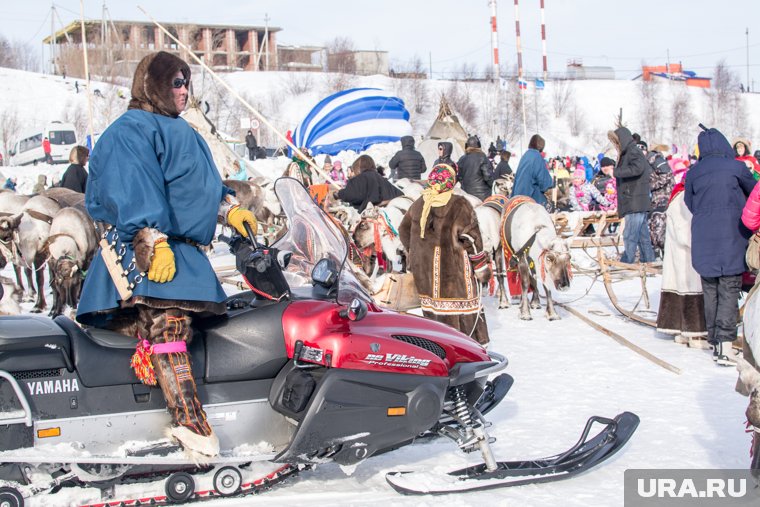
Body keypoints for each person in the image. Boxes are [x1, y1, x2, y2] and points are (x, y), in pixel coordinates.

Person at [76, 51, 257, 457]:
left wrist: (230, 209)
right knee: (169, 325)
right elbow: (130, 186)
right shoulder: (131, 129)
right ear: (152, 85)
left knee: (199, 329)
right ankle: (189, 423)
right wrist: (150, 238)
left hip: (185, 254)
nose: (183, 90)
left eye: (186, 82)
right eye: (175, 82)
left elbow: (201, 187)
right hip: (149, 251)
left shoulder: (186, 131)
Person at [685, 125, 756, 366]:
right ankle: (726, 345)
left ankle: (716, 341)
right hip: (732, 233)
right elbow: (752, 192)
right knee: (729, 286)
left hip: (703, 234)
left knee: (711, 288)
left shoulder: (693, 172)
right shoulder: (735, 167)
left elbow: (690, 202)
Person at [399, 164, 490, 345]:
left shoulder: (419, 204)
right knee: (462, 312)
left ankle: (438, 347)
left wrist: (416, 253)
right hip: (453, 274)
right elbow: (471, 238)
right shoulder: (459, 204)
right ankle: (469, 348)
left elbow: (403, 230)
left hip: (424, 274)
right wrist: (480, 266)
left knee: (433, 311)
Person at [656, 167, 709, 348]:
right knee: (690, 290)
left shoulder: (681, 195)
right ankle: (693, 334)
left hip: (681, 256)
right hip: (685, 256)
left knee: (681, 290)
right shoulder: (682, 199)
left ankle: (681, 331)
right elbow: (685, 233)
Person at [607, 127, 655, 264]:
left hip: (634, 200)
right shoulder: (630, 151)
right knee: (641, 235)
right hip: (635, 200)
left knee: (630, 234)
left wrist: (616, 172)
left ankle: (627, 261)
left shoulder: (633, 151)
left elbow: (637, 168)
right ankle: (649, 261)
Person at [334, 154, 402, 212]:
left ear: (357, 168)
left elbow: (353, 194)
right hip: (389, 213)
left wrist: (339, 194)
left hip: (371, 217)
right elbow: (399, 194)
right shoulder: (379, 177)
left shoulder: (359, 179)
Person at [647, 144, 675, 259]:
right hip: (655, 199)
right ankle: (657, 252)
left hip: (664, 197)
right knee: (654, 227)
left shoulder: (654, 158)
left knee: (660, 228)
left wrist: (649, 186)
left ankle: (666, 254)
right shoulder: (648, 160)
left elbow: (666, 175)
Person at [511, 134, 553, 207]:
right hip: (530, 197)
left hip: (517, 197)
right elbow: (544, 183)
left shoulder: (525, 155)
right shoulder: (537, 157)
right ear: (541, 146)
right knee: (549, 208)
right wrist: (552, 183)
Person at [457, 135, 494, 201]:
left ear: (466, 146)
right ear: (478, 145)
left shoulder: (462, 159)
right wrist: (493, 185)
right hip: (482, 196)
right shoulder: (482, 157)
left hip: (466, 195)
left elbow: (459, 177)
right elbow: (488, 177)